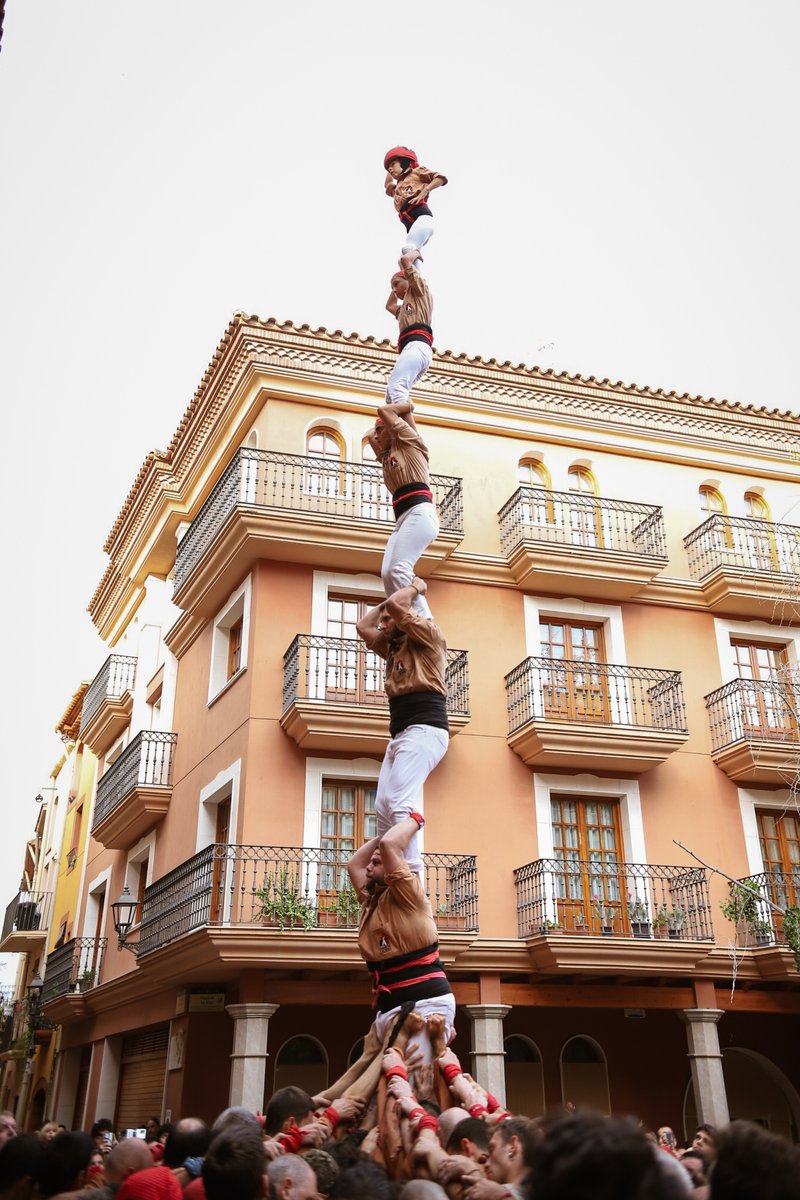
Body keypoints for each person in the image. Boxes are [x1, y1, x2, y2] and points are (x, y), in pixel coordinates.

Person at [356, 581, 449, 874]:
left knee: (398, 802)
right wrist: (385, 608)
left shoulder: (429, 638)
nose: (382, 625)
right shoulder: (395, 648)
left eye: (387, 621)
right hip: (401, 734)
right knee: (382, 807)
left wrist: (414, 587)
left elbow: (398, 606)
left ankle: (411, 875)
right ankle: (386, 873)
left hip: (425, 729)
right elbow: (363, 627)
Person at [347, 815, 455, 1057]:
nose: (368, 867)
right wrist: (383, 831)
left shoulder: (408, 892)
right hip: (390, 1009)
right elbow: (354, 864)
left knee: (412, 1086)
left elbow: (389, 846)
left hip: (425, 1006)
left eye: (376, 863)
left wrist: (415, 819)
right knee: (380, 1086)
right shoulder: (372, 900)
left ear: (393, 865)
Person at [368, 404, 439, 621]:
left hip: (419, 513)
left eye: (380, 430)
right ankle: (403, 617)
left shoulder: (410, 444)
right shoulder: (388, 456)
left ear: (393, 428)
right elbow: (370, 437)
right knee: (388, 573)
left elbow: (384, 411)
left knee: (399, 568)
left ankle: (424, 621)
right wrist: (382, 428)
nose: (376, 435)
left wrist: (403, 402)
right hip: (403, 519)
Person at [383, 147, 447, 275]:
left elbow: (440, 178)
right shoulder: (398, 189)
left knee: (408, 249)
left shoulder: (416, 173)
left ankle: (416, 258)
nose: (390, 168)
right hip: (412, 226)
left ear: (405, 162)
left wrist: (425, 190)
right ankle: (418, 287)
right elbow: (387, 184)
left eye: (393, 164)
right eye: (389, 167)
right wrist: (389, 167)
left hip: (422, 218)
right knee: (404, 261)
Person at [383, 251, 434, 410]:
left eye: (397, 284)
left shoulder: (419, 291)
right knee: (391, 396)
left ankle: (410, 433)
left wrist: (415, 252)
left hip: (417, 346)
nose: (395, 290)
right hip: (412, 351)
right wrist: (395, 286)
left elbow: (405, 260)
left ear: (408, 279)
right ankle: (400, 425)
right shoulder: (405, 308)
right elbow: (389, 306)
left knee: (397, 389)